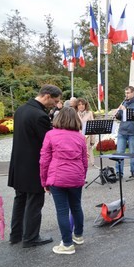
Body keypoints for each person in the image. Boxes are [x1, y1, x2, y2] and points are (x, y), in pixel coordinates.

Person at [8, 84, 62, 248]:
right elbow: (47, 143)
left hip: (18, 164)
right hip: (33, 166)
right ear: (47, 96)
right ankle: (31, 238)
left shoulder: (21, 110)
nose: (55, 104)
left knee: (20, 199)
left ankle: (16, 235)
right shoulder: (39, 115)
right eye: (55, 100)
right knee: (34, 201)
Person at [40, 107, 88, 255]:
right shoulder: (80, 137)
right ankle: (78, 236)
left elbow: (44, 160)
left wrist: (44, 182)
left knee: (62, 211)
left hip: (57, 178)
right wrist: (82, 176)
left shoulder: (51, 135)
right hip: (76, 177)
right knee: (76, 207)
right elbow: (84, 160)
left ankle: (67, 244)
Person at [115, 86, 134, 178]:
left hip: (133, 131)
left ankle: (133, 171)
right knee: (120, 152)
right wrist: (117, 113)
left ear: (133, 93)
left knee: (132, 152)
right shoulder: (124, 102)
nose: (126, 95)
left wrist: (125, 110)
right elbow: (120, 117)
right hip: (122, 131)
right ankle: (119, 172)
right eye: (125, 93)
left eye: (128, 93)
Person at [76, 98, 95, 167]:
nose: (81, 106)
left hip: (87, 137)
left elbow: (93, 127)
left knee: (87, 159)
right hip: (78, 137)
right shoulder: (75, 114)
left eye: (83, 104)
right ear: (77, 106)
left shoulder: (89, 113)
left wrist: (93, 140)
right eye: (79, 105)